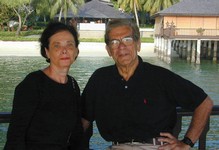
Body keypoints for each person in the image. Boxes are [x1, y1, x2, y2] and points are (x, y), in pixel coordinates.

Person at [81, 19, 213, 150]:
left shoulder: (160, 77)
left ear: (138, 44)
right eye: (114, 42)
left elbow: (204, 103)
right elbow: (84, 119)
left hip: (156, 147)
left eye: (127, 40)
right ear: (109, 50)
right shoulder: (100, 79)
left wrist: (187, 142)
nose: (121, 47)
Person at [4, 22, 84, 150]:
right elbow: (15, 136)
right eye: (56, 46)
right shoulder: (32, 84)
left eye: (69, 45)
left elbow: (76, 132)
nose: (64, 50)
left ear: (76, 51)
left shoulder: (73, 85)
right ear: (47, 52)